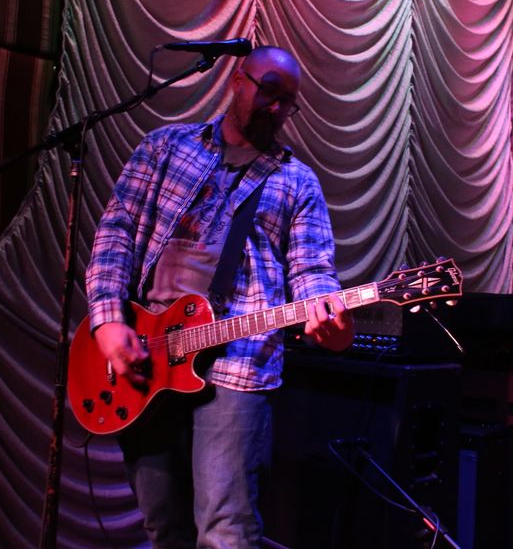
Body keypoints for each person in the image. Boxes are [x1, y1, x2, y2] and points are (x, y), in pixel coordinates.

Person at [85, 45, 354, 548]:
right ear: (237, 80)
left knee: (226, 531)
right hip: (149, 354)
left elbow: (313, 271)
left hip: (238, 362)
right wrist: (108, 321)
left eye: (288, 101)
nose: (277, 107)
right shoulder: (166, 148)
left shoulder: (297, 182)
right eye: (269, 91)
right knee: (163, 525)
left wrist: (329, 316)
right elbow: (115, 233)